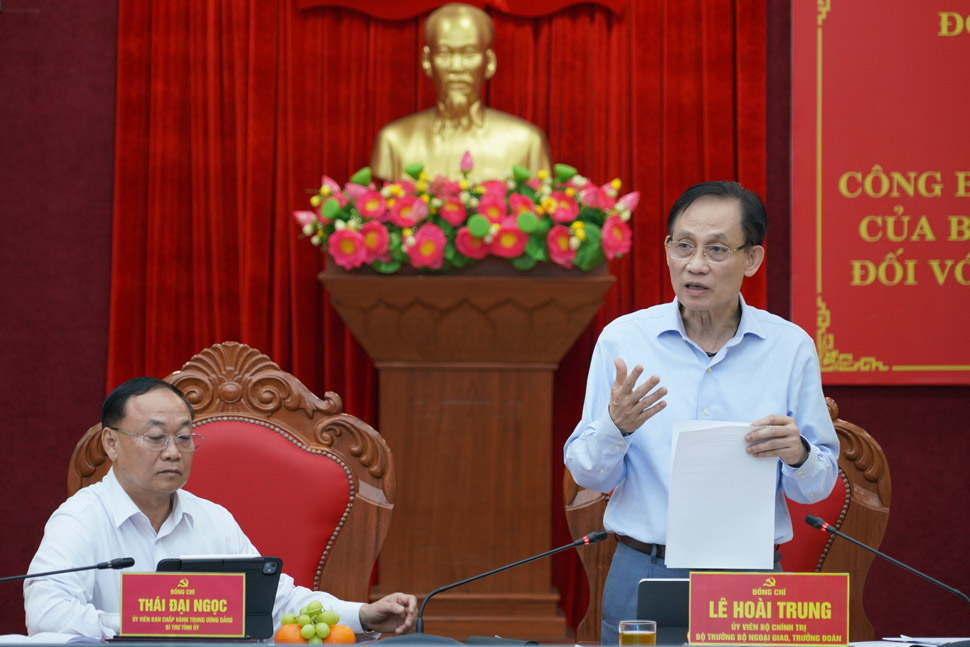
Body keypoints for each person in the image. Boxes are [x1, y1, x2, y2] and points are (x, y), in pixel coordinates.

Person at [563, 181, 839, 645]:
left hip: (748, 581)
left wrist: (799, 454)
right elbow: (589, 474)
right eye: (684, 246)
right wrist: (616, 427)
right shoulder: (624, 341)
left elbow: (817, 487)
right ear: (668, 249)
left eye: (716, 250)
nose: (695, 265)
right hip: (643, 571)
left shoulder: (790, 348)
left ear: (751, 259)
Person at [23, 377, 418, 639]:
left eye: (184, 437)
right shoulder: (80, 518)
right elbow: (46, 613)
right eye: (156, 438)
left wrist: (363, 616)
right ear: (111, 443)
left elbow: (275, 603)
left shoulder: (211, 519)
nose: (174, 452)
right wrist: (144, 625)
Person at [369, 2, 551, 181]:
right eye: (445, 54)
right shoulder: (394, 142)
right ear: (427, 61)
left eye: (469, 54)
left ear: (489, 62)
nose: (456, 68)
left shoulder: (527, 143)